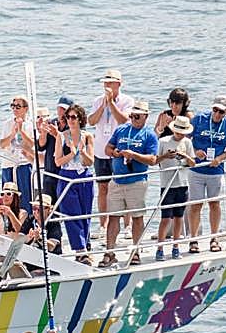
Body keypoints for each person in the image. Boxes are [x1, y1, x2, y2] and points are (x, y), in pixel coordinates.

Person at [103, 100, 159, 267]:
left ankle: (136, 251)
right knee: (113, 217)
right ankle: (109, 251)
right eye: (132, 115)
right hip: (117, 180)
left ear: (145, 117)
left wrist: (134, 155)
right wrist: (116, 153)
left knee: (137, 218)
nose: (133, 119)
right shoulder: (121, 129)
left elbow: (153, 159)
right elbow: (107, 149)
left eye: (137, 116)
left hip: (136, 181)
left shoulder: (149, 135)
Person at [187, 95, 226, 254]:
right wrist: (195, 151)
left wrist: (220, 158)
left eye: (221, 112)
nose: (217, 114)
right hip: (196, 169)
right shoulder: (199, 119)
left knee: (214, 204)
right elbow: (185, 139)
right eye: (215, 110)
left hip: (216, 171)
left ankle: (214, 238)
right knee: (195, 205)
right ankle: (193, 239)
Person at [87, 68, 135, 237]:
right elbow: (91, 121)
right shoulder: (98, 101)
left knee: (123, 188)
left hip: (118, 151)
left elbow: (124, 120)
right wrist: (103, 104)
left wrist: (112, 103)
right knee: (103, 188)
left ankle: (127, 225)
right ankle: (103, 225)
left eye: (110, 82)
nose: (107, 85)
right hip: (100, 151)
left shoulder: (128, 101)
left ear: (118, 84)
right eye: (105, 82)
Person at [53, 103, 95, 262]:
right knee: (71, 215)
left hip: (84, 177)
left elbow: (89, 161)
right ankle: (80, 249)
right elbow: (58, 161)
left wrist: (82, 150)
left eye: (73, 117)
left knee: (85, 214)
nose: (70, 120)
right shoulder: (61, 136)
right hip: (67, 176)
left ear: (80, 119)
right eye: (67, 117)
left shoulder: (88, 136)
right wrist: (72, 153)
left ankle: (84, 246)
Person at [153, 116, 196, 261]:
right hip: (167, 184)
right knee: (165, 218)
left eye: (183, 132)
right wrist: (166, 156)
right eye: (178, 131)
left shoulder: (188, 143)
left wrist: (184, 155)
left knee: (179, 217)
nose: (180, 134)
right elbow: (155, 161)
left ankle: (176, 246)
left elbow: (192, 163)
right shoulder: (163, 141)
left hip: (182, 184)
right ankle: (160, 248)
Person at [0, 95, 36, 210]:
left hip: (24, 164)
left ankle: (26, 223)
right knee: (8, 198)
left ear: (25, 108)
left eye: (18, 106)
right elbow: (2, 144)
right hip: (8, 164)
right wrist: (13, 134)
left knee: (25, 198)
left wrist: (21, 131)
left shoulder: (30, 125)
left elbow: (32, 144)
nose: (15, 109)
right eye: (13, 106)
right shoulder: (7, 124)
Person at [19, 194, 63, 261]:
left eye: (40, 209)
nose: (36, 211)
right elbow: (19, 238)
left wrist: (39, 238)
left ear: (49, 210)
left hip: (51, 260)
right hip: (32, 258)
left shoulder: (54, 222)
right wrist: (28, 238)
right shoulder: (30, 219)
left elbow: (51, 247)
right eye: (34, 208)